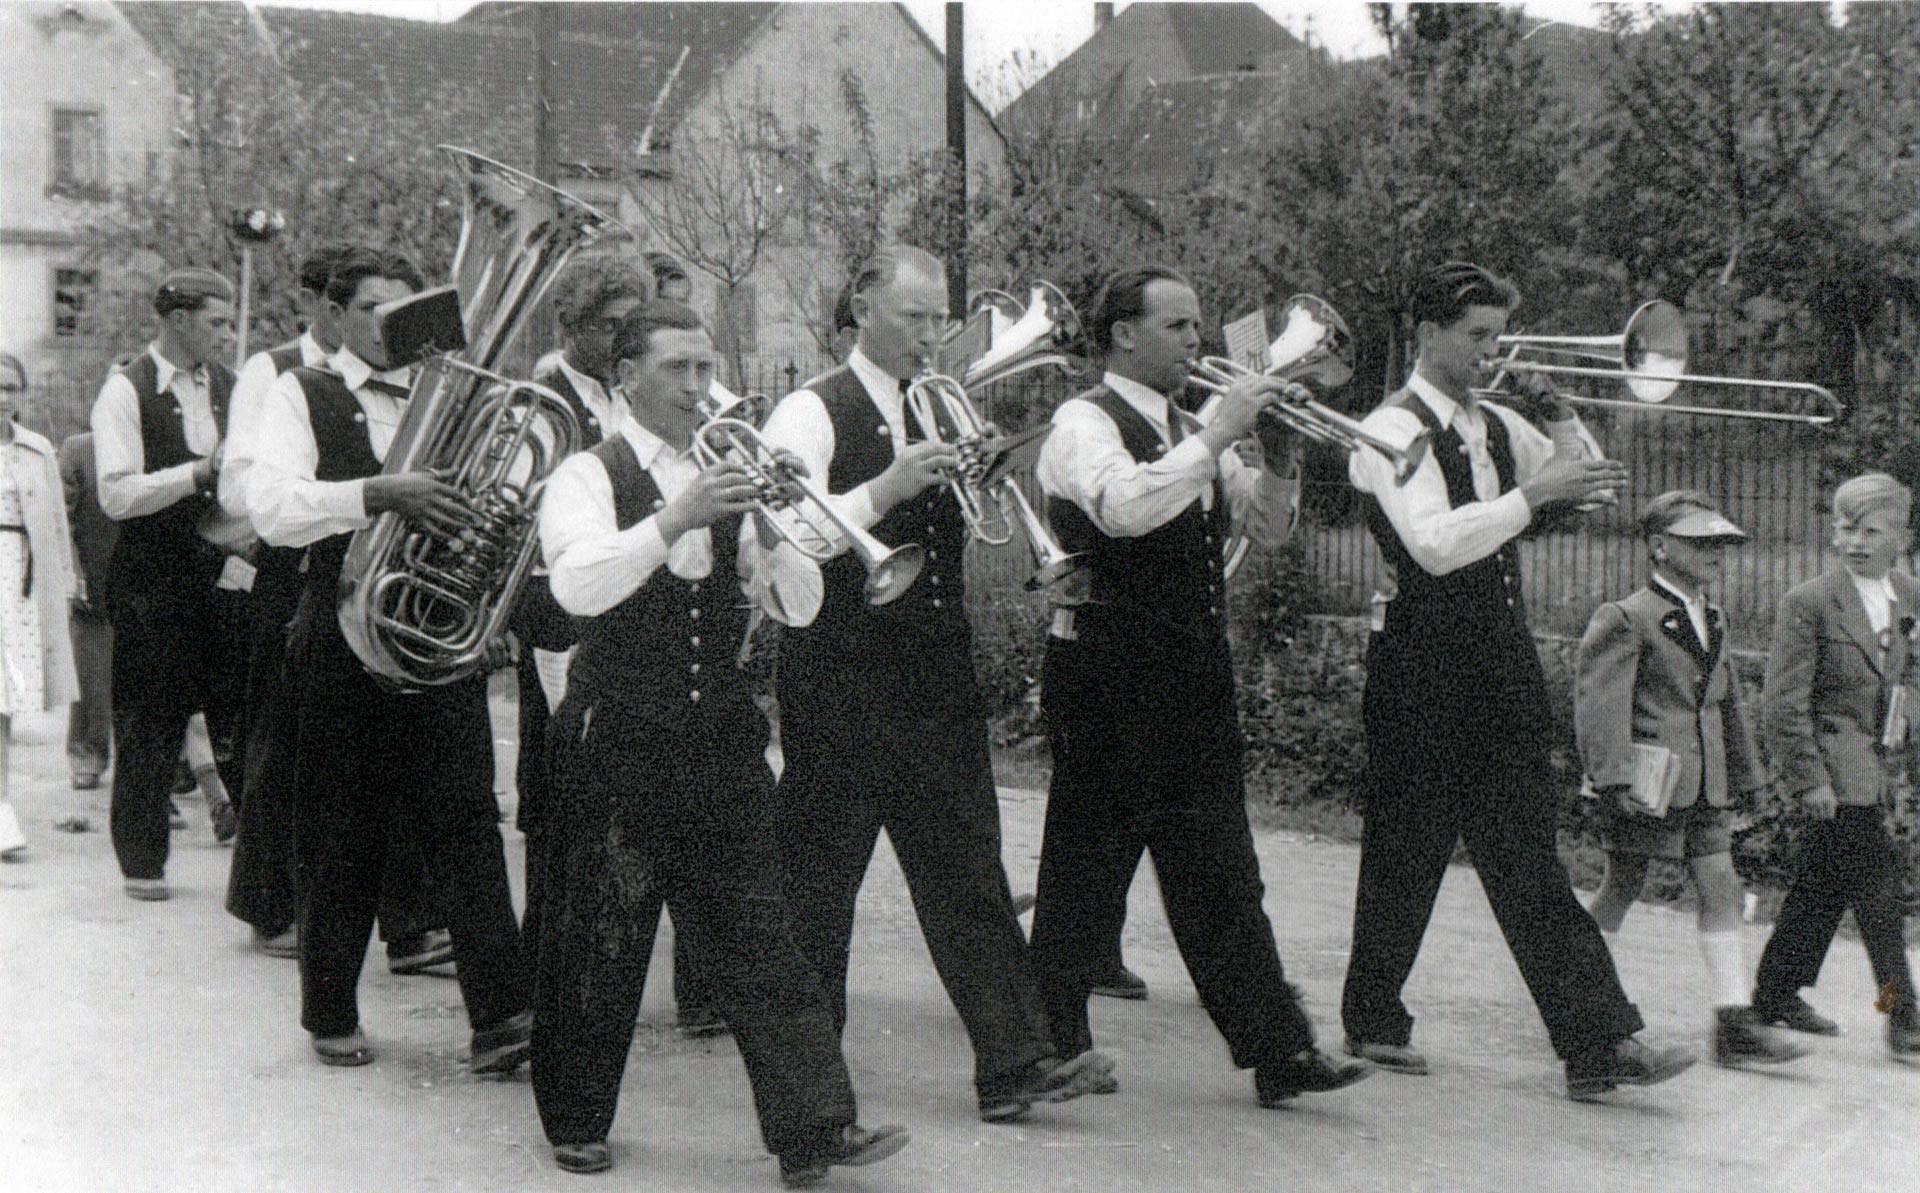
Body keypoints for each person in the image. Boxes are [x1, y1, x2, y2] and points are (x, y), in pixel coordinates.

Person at [530, 303, 910, 1184]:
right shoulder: (590, 473)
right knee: (602, 934)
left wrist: (773, 533)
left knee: (764, 936)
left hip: (720, 741)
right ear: (627, 376)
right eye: (678, 370)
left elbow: (801, 605)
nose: (701, 388)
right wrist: (674, 518)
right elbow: (577, 587)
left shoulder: (735, 471)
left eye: (706, 369)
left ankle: (815, 1126)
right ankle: (577, 1117)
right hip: (618, 735)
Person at [755, 244, 1110, 1123]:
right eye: (913, 316)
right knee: (819, 886)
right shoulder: (810, 407)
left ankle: (1016, 1062)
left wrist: (974, 474)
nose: (930, 334)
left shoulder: (934, 405)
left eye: (938, 317)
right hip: (839, 676)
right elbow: (782, 527)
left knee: (967, 871)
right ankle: (809, 1093)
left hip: (933, 674)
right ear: (862, 308)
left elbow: (974, 531)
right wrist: (887, 485)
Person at [1339, 260, 1694, 1101]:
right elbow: (1431, 542)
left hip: (1497, 663)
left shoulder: (1494, 422)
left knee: (1527, 861)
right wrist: (1532, 497)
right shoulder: (1387, 430)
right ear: (1426, 335)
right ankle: (1373, 1015)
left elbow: (1592, 490)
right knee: (1404, 852)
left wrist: (1563, 414)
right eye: (1476, 337)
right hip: (1421, 665)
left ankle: (1600, 1041)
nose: (1491, 352)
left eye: (1498, 335)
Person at [1026, 266, 1368, 1106]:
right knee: (1088, 870)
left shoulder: (1187, 424)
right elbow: (1121, 508)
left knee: (1218, 872)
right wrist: (1215, 436)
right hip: (1108, 676)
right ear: (1122, 336)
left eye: (1198, 325)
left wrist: (1279, 461)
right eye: (1177, 326)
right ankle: (1052, 1041)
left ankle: (1275, 1049)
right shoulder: (1082, 422)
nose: (1196, 342)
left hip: (1188, 677)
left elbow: (1271, 530)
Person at [246, 247, 530, 1069]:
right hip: (342, 635)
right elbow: (269, 509)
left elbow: (492, 514)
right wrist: (375, 493)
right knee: (344, 827)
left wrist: (493, 597)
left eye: (407, 308)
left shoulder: (457, 396)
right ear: (336, 315)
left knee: (469, 821)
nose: (393, 324)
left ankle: (503, 1018)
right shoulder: (302, 391)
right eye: (374, 307)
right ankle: (329, 1009)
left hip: (437, 634)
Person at [221, 244, 452, 972]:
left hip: (395, 587)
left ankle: (409, 921)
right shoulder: (277, 371)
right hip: (301, 571)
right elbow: (243, 488)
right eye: (359, 304)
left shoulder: (425, 382)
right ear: (327, 307)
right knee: (287, 749)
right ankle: (270, 903)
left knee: (406, 772)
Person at [1575, 490, 1808, 1069]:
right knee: (1621, 887)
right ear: (1658, 547)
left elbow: (1725, 706)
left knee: (1721, 884)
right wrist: (1612, 779)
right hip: (1648, 786)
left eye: (1720, 544)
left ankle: (1733, 1024)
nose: (1715, 554)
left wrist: (1748, 778)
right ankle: (1573, 1000)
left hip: (1706, 784)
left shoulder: (1714, 619)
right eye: (1699, 543)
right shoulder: (1627, 617)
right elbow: (1600, 704)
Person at [89, 268, 251, 900]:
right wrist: (198, 473)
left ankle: (260, 869)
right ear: (179, 321)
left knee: (240, 718)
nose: (227, 332)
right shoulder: (125, 392)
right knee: (150, 725)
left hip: (223, 576)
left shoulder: (233, 387)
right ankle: (142, 861)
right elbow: (117, 494)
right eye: (216, 320)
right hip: (152, 584)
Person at [1750, 472, 1919, 1060]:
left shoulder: (1909, 593)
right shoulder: (1810, 602)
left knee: (1822, 887)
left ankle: (1772, 995)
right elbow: (1782, 703)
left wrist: (1906, 720)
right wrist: (1809, 779)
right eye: (1845, 528)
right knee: (1878, 888)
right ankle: (1903, 1015)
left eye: (1870, 530)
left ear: (1901, 533)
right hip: (1832, 771)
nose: (1854, 542)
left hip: (1875, 769)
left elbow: (1909, 671)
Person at [513, 258, 644, 963]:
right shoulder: (543, 395)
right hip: (553, 599)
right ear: (574, 325)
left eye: (632, 323)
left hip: (614, 594)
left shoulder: (620, 388)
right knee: (556, 779)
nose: (625, 337)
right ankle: (545, 953)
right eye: (610, 325)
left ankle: (592, 942)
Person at [1, 352, 81, 859]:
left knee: (4, 702)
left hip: (17, 582)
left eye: (12, 388)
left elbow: (54, 525)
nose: (4, 397)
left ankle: (2, 807)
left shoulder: (37, 450)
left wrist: (66, 583)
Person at [57, 429, 114, 792]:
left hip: (146, 584)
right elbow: (62, 521)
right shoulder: (79, 449)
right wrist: (74, 572)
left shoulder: (158, 443)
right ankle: (86, 756)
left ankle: (167, 771)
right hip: (93, 584)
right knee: (91, 675)